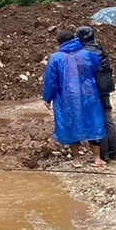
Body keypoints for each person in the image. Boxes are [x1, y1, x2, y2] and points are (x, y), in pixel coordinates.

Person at [42, 30, 105, 168]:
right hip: (89, 94)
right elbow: (95, 68)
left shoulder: (55, 58)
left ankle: (77, 159)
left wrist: (47, 97)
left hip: (67, 97)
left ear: (60, 43)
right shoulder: (88, 55)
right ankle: (97, 159)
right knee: (93, 122)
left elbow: (51, 81)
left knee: (70, 124)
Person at [76, 26, 116, 161]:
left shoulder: (84, 53)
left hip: (93, 91)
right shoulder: (100, 49)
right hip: (105, 88)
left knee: (97, 120)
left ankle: (103, 154)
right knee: (107, 118)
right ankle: (114, 152)